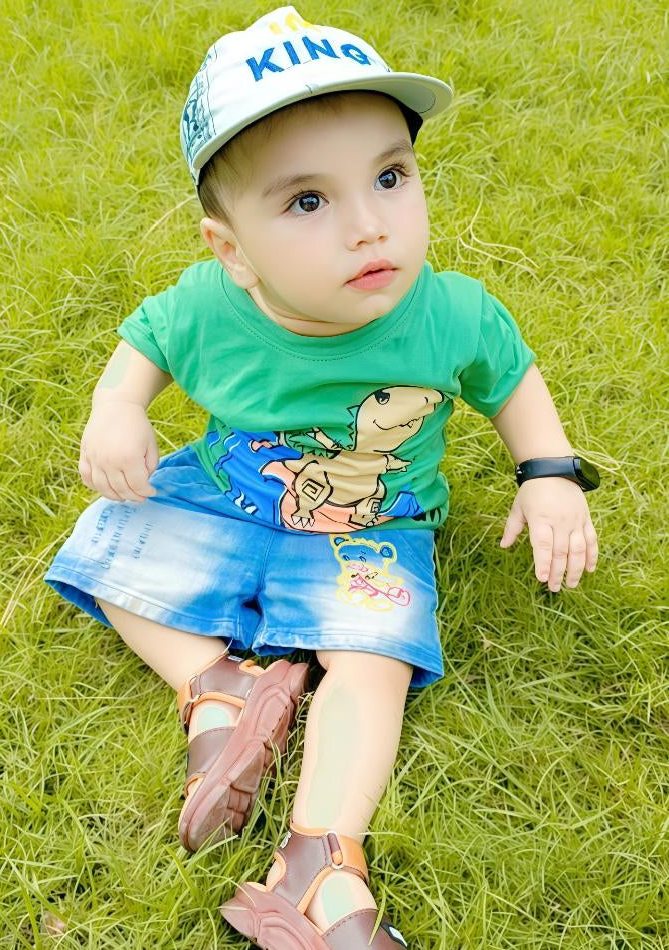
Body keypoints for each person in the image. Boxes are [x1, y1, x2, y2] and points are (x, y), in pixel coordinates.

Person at [44, 5, 600, 947]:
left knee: (374, 664)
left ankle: (320, 861)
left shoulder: (451, 314)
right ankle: (214, 686)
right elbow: (143, 344)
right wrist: (117, 409)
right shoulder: (209, 303)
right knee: (108, 545)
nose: (368, 225)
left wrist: (548, 473)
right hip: (227, 489)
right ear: (232, 249)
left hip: (372, 519)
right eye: (309, 202)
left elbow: (512, 380)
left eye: (390, 176)